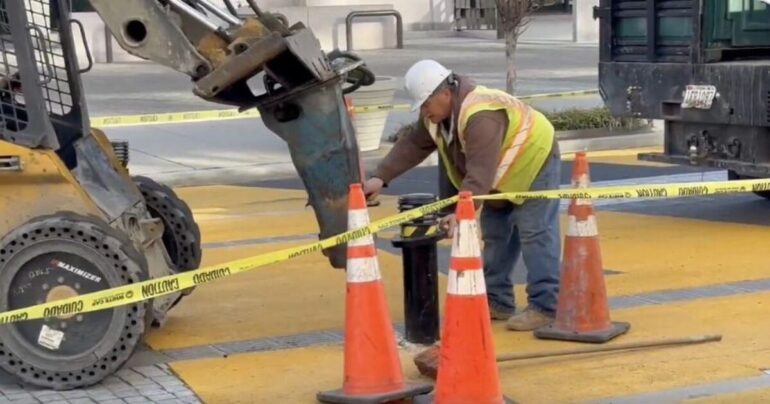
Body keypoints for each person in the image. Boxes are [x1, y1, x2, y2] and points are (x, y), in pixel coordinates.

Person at [363, 60, 562, 331]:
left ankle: (546, 306)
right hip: (500, 175)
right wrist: (380, 176)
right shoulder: (437, 118)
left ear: (444, 94)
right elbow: (416, 147)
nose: (423, 111)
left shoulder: (481, 116)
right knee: (496, 234)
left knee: (535, 232)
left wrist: (460, 213)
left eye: (425, 104)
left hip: (534, 159)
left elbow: (478, 173)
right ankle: (498, 301)